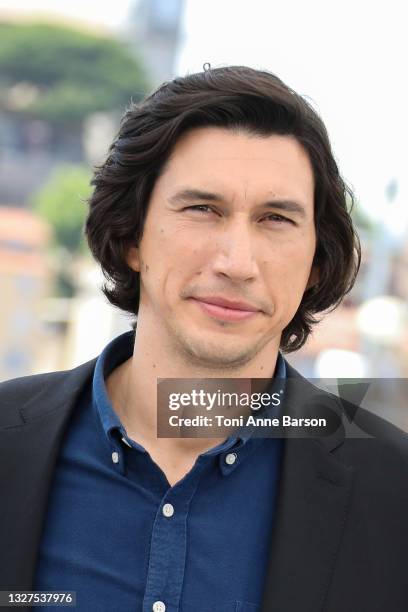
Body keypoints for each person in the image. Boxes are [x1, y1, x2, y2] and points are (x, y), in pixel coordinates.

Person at [0, 66, 407, 612]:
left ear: (315, 260)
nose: (237, 263)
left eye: (276, 219)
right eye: (202, 209)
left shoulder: (395, 495)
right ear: (131, 236)